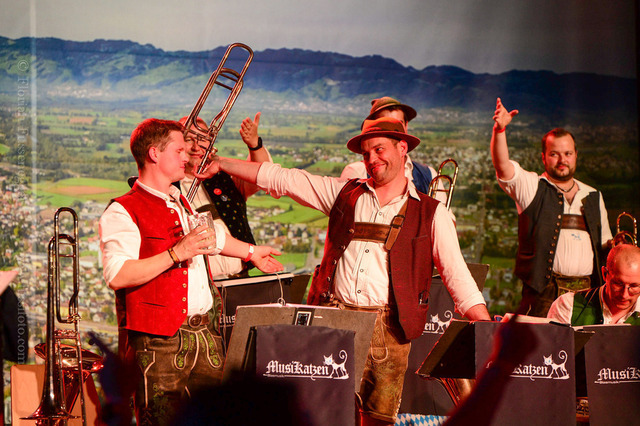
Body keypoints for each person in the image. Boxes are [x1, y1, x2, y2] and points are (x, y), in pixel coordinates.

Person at [196, 116, 491, 426]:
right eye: (366, 153)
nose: (372, 159)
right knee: (321, 415)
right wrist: (222, 164)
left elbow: (457, 277)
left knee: (377, 421)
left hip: (388, 332)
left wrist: (487, 330)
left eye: (379, 149)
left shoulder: (432, 213)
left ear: (402, 148)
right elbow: (282, 178)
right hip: (334, 322)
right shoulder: (344, 194)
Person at [99, 118, 283, 425]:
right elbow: (118, 274)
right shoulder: (123, 210)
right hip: (160, 341)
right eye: (179, 150)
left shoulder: (179, 200)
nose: (187, 155)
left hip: (205, 333)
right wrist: (176, 253)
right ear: (154, 153)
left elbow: (212, 238)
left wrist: (252, 252)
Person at [490, 97, 613, 317]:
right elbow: (503, 167)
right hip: (544, 295)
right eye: (554, 154)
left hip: (589, 294)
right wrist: (500, 131)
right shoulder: (532, 187)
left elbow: (605, 245)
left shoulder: (593, 195)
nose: (562, 160)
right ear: (544, 157)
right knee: (543, 341)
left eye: (568, 154)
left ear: (576, 156)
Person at [178, 113, 271, 279]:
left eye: (203, 138)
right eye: (188, 139)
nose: (196, 147)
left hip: (240, 278)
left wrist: (254, 145)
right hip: (198, 286)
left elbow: (263, 177)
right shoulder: (168, 188)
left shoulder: (226, 177)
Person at [341, 97, 445, 201]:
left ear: (406, 125)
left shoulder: (429, 175)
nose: (393, 129)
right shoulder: (357, 172)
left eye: (399, 123)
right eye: (385, 123)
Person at [547, 243, 640, 325]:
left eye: (634, 286)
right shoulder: (568, 305)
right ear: (604, 274)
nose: (624, 295)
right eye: (618, 284)